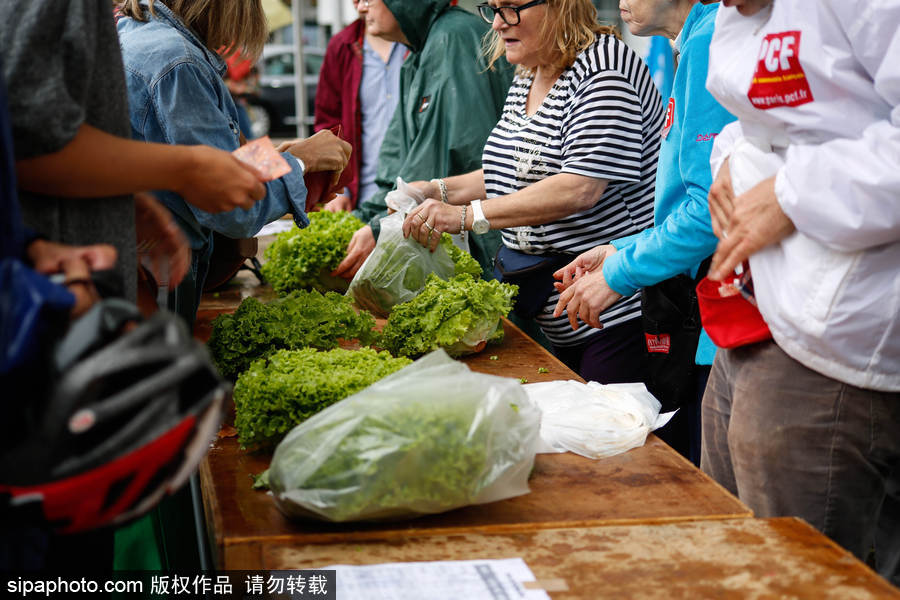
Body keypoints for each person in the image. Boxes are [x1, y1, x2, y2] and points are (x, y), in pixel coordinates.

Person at [699, 0, 900, 584]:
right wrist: (732, 161)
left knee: (787, 577)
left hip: (839, 338)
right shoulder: (742, 16)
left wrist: (790, 194)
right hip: (761, 311)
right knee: (724, 546)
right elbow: (772, 116)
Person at [399, 0, 664, 383]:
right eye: (492, 8)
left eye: (510, 8)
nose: (497, 24)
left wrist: (468, 216)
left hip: (615, 315)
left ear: (559, 6)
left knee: (617, 435)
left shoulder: (604, 71)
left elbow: (579, 187)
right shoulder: (531, 70)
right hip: (561, 315)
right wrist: (437, 190)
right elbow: (513, 169)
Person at [550, 0, 734, 462]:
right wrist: (617, 250)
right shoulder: (691, 41)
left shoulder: (708, 39)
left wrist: (619, 274)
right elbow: (689, 199)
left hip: (721, 315)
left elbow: (710, 210)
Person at [0, 0, 266, 307]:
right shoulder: (177, 59)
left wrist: (130, 195)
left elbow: (48, 129)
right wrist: (296, 165)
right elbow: (31, 139)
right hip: (64, 285)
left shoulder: (143, 37)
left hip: (81, 266)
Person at [117, 0, 352, 324]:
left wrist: (275, 160)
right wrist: (298, 163)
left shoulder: (138, 33)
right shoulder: (178, 62)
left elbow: (205, 161)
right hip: (160, 275)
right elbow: (229, 207)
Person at [334, 0, 515, 280]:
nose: (360, 9)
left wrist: (377, 226)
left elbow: (441, 162)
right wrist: (363, 221)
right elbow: (398, 164)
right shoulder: (420, 52)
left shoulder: (452, 39)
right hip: (460, 235)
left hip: (487, 245)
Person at [314, 0, 406, 213]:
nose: (361, 6)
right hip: (364, 196)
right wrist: (338, 188)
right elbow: (329, 125)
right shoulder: (342, 45)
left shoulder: (417, 42)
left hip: (419, 192)